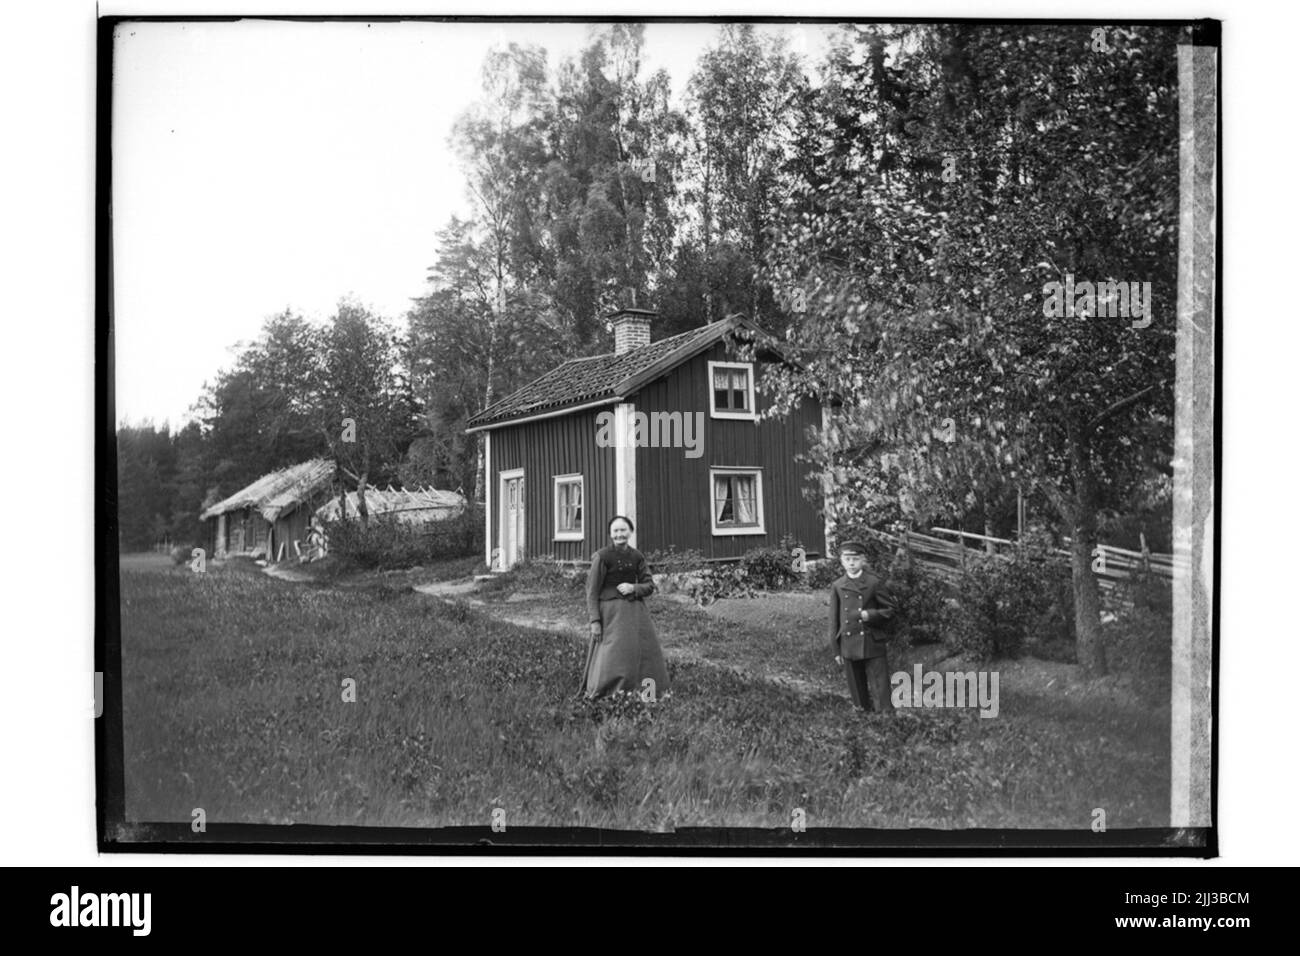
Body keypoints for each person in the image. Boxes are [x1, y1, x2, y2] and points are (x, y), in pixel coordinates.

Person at [581, 515, 670, 699]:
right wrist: (595, 621)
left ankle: (647, 692)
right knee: (613, 654)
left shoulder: (637, 556)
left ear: (630, 532)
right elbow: (592, 591)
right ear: (610, 534)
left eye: (623, 530)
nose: (619, 534)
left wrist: (633, 588)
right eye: (615, 531)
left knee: (643, 652)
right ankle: (608, 693)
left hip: (635, 613)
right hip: (611, 614)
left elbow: (649, 585)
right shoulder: (602, 557)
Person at [827, 540, 897, 714]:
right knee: (857, 691)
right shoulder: (838, 586)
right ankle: (864, 721)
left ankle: (887, 722)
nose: (851, 563)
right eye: (847, 559)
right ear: (841, 561)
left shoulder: (874, 583)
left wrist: (870, 615)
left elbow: (889, 610)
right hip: (849, 643)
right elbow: (833, 621)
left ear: (863, 560)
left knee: (880, 687)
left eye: (855, 559)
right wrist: (836, 650)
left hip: (872, 641)